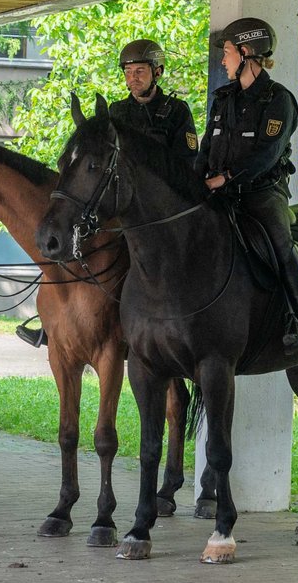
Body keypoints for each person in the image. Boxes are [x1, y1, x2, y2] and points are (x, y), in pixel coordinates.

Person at [17, 38, 198, 349]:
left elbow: (186, 162)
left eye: (140, 71)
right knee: (80, 244)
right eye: (128, 72)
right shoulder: (117, 112)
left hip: (160, 208)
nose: (133, 78)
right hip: (122, 203)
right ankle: (53, 321)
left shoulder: (176, 112)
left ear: (157, 72)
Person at [196, 17, 298, 354]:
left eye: (228, 52)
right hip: (219, 193)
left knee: (280, 242)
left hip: (262, 193)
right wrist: (192, 182)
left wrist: (225, 177)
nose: (223, 60)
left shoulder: (279, 100)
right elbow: (206, 149)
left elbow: (267, 155)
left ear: (247, 53)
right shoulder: (223, 99)